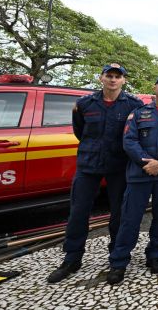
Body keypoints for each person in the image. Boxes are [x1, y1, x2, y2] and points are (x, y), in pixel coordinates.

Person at [47, 63, 143, 284]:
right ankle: (72, 259)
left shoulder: (133, 105)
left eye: (117, 76)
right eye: (109, 75)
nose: (113, 80)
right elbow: (80, 130)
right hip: (88, 165)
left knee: (119, 213)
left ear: (123, 81)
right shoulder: (84, 104)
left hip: (118, 166)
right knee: (78, 212)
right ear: (101, 78)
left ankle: (117, 259)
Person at [106, 74, 158, 285]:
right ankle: (119, 262)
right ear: (154, 87)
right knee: (130, 219)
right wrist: (147, 163)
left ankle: (155, 255)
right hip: (140, 174)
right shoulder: (137, 114)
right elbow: (129, 141)